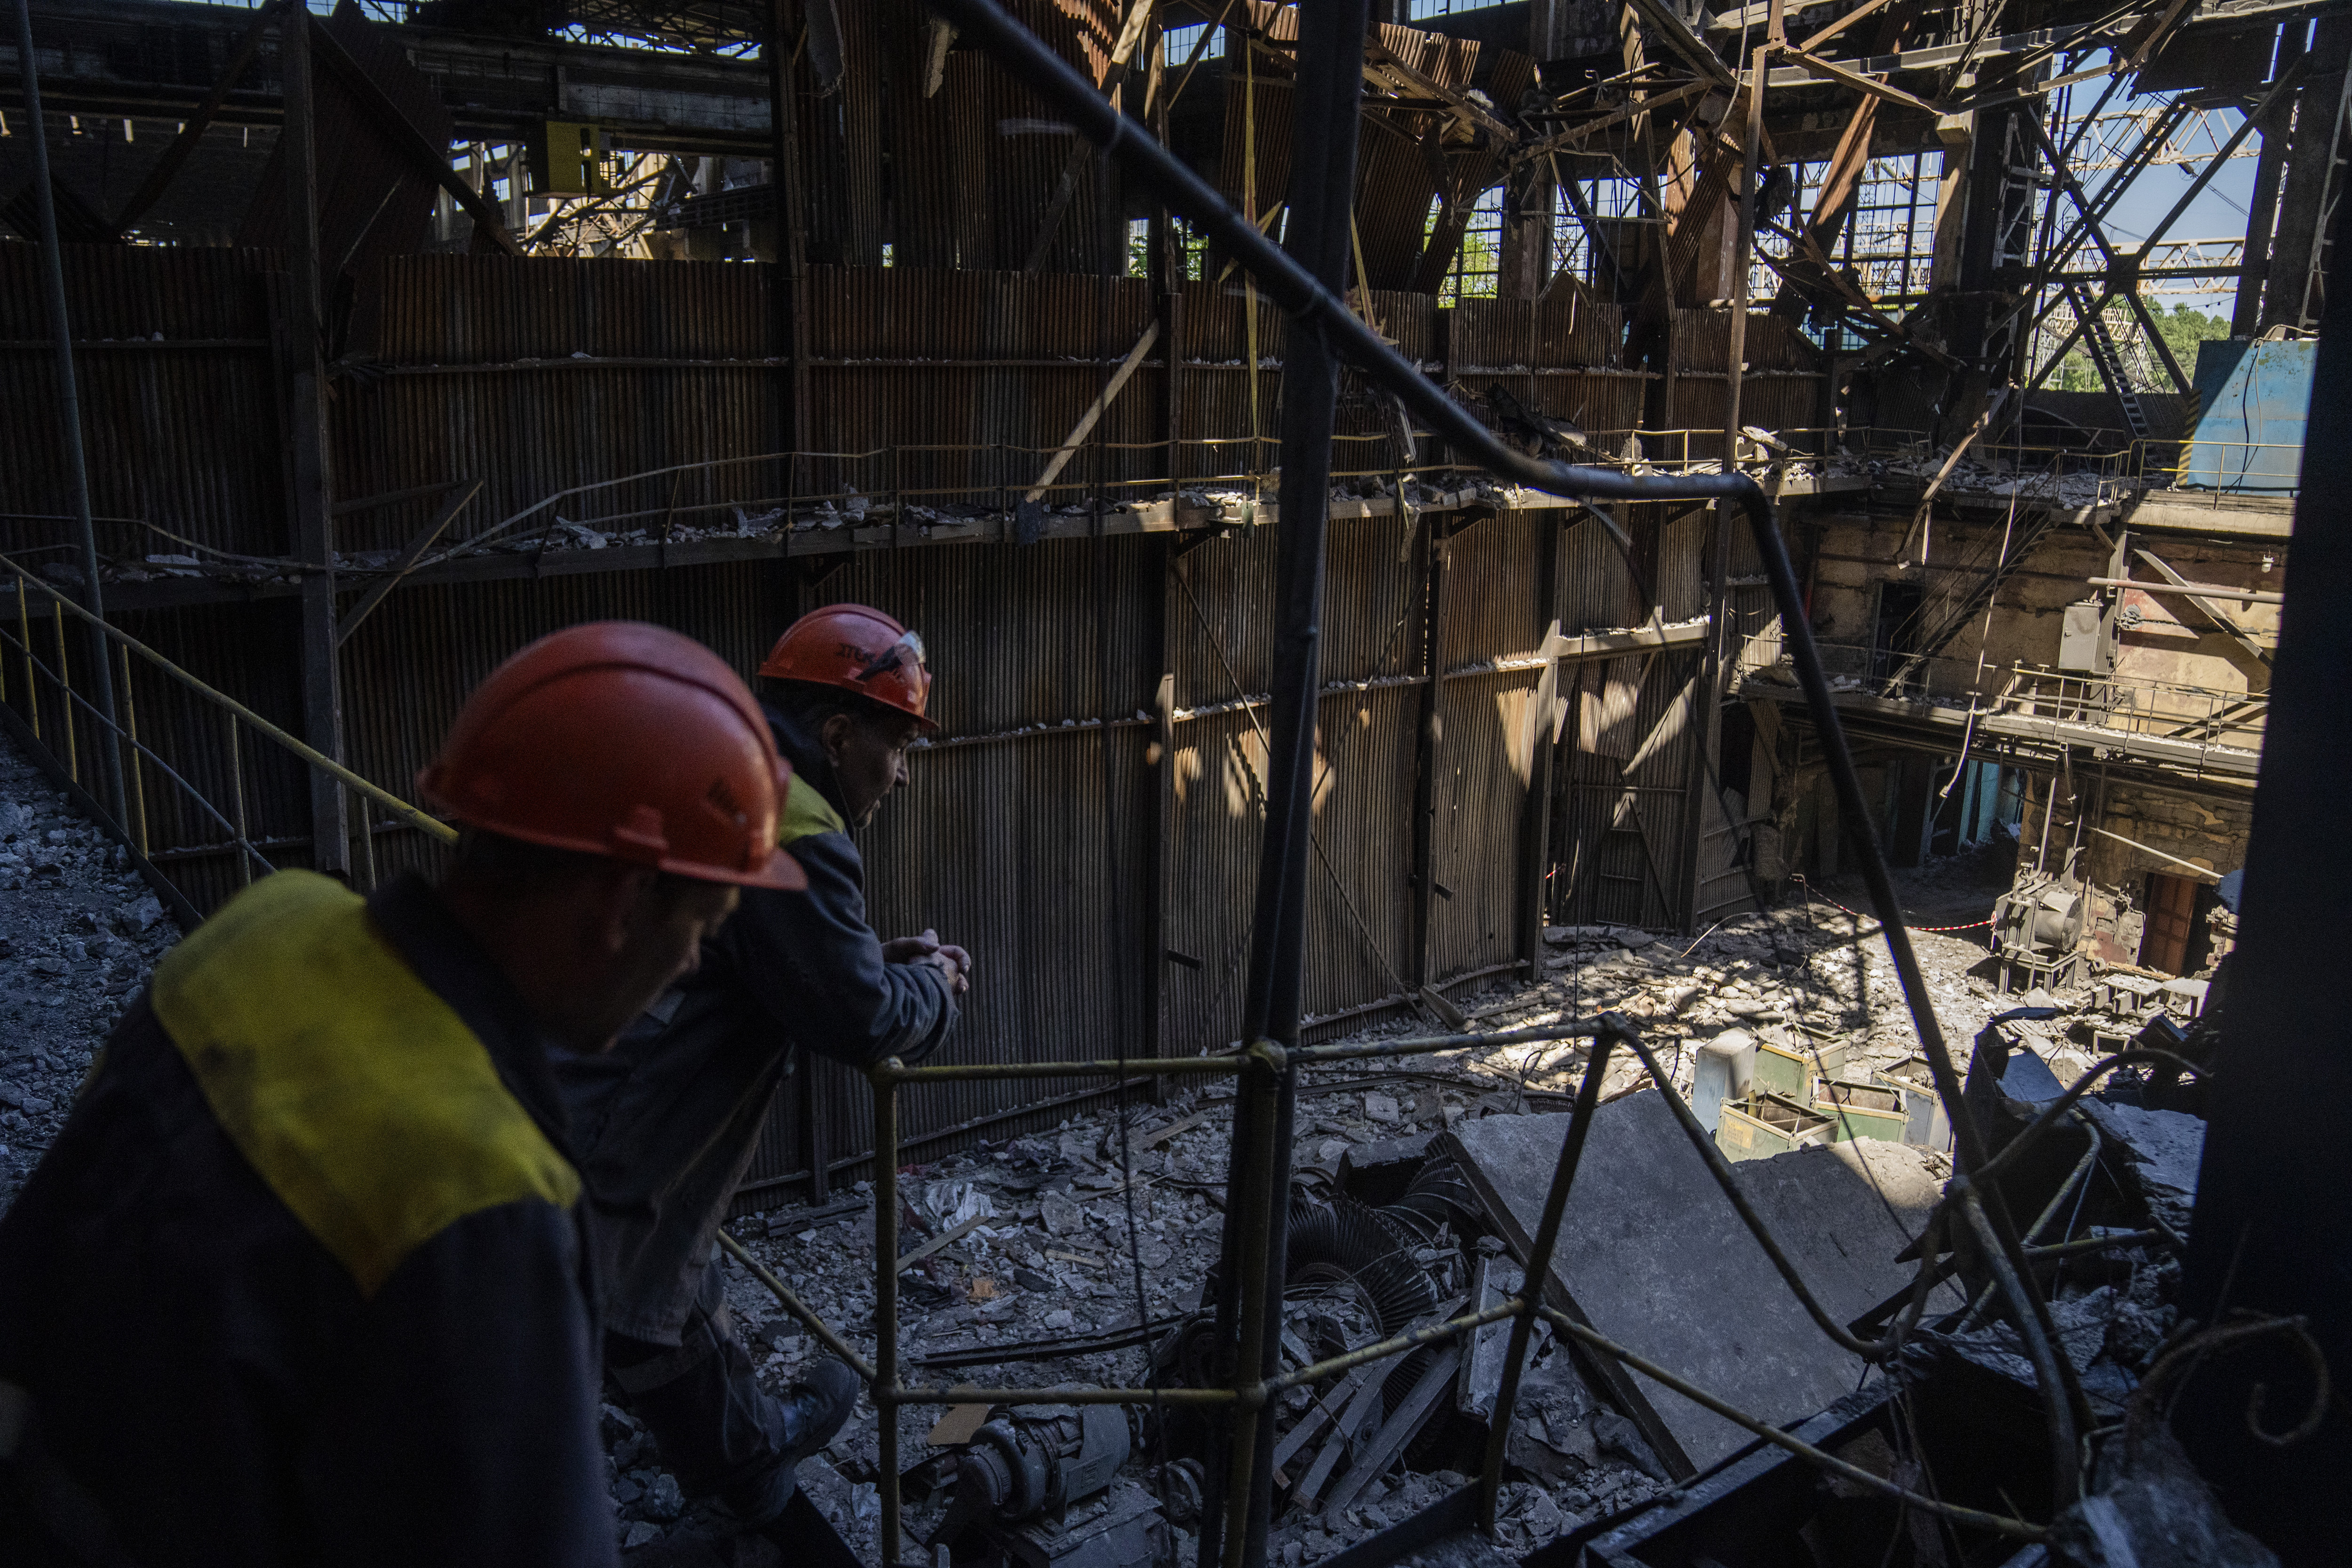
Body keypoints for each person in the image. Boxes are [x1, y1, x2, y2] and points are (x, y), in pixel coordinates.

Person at [0, 622, 805, 1568]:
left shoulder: (268, 922)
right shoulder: (484, 1189)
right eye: (703, 921)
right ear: (623, 905)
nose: (695, 959)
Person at [561, 603, 970, 1547]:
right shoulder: (799, 827)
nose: (902, 772)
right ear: (839, 734)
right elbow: (860, 1018)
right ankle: (737, 1483)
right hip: (621, 1126)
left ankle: (749, 1465)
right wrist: (935, 989)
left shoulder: (719, 769)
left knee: (664, 1295)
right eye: (898, 745)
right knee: (616, 1307)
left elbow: (752, 947)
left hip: (580, 1082)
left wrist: (871, 958)